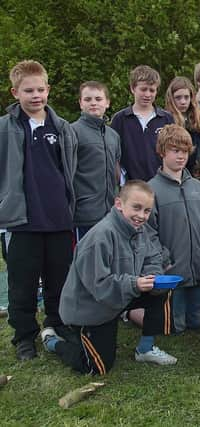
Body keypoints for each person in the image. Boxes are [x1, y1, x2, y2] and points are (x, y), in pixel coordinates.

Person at [42, 181, 177, 374]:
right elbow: (99, 286)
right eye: (136, 208)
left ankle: (145, 349)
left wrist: (152, 276)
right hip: (89, 307)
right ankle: (53, 342)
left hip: (120, 296)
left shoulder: (141, 230)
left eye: (147, 211)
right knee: (97, 367)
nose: (141, 216)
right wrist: (135, 283)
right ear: (119, 204)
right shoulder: (100, 237)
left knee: (163, 288)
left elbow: (153, 257)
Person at [0, 60, 77, 361]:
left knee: (59, 280)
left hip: (58, 218)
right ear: (15, 92)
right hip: (21, 221)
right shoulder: (5, 128)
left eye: (40, 89)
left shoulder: (62, 128)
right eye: (28, 90)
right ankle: (24, 337)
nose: (35, 95)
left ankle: (56, 324)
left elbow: (69, 170)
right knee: (23, 284)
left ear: (48, 90)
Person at [147, 124, 200, 333]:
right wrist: (164, 260)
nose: (181, 156)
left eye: (185, 151)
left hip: (199, 271)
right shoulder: (152, 190)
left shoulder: (197, 187)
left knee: (197, 323)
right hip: (172, 275)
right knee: (173, 327)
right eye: (175, 151)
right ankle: (134, 313)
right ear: (162, 152)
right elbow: (148, 233)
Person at [72, 81, 121, 240]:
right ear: (80, 103)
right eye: (88, 99)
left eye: (98, 99)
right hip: (84, 215)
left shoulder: (113, 135)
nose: (93, 103)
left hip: (110, 214)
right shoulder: (72, 132)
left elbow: (116, 170)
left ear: (107, 102)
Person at [111, 65, 174, 181]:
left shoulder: (167, 119)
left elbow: (173, 152)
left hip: (161, 183)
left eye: (152, 90)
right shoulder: (120, 119)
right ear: (133, 88)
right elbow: (113, 155)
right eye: (143, 89)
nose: (148, 94)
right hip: (131, 186)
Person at [164, 76, 200, 171]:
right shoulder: (166, 120)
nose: (183, 102)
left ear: (191, 97)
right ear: (171, 98)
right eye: (178, 98)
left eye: (186, 97)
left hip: (197, 171)